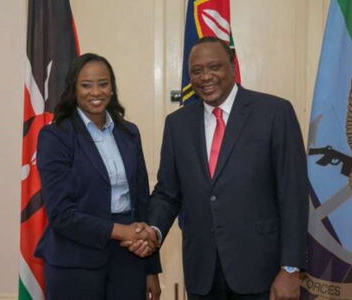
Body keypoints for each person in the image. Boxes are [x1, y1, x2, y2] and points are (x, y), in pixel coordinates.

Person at [124, 37, 309, 300]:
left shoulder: (274, 113)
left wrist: (290, 268)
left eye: (214, 67)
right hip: (203, 273)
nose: (205, 77)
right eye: (196, 71)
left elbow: (293, 194)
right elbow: (168, 193)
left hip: (262, 273)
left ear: (232, 66)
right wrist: (152, 231)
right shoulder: (177, 125)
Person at [35, 53, 161, 300]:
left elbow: (142, 202)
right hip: (75, 264)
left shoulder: (129, 132)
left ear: (112, 88)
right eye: (86, 85)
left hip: (129, 260)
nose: (96, 92)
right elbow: (61, 214)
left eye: (103, 84)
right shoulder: (55, 136)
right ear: (73, 89)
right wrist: (121, 231)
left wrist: (150, 269)